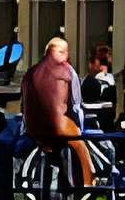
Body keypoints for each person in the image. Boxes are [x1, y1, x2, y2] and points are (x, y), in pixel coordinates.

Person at [22, 34, 93, 192]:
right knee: (81, 147)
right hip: (58, 127)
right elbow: (76, 105)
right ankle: (89, 183)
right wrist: (80, 127)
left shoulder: (30, 73)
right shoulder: (67, 71)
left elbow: (24, 103)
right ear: (62, 53)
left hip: (33, 129)